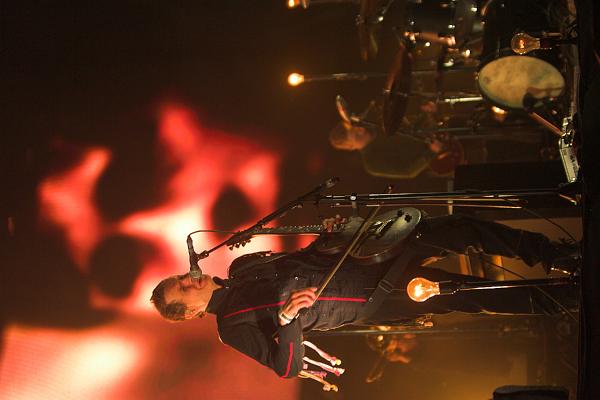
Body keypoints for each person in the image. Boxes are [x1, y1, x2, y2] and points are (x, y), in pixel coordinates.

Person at [150, 213, 579, 379]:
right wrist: (286, 322)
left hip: (369, 258)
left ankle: (556, 254)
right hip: (374, 298)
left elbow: (305, 259)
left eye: (181, 276)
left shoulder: (242, 266)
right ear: (188, 314)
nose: (189, 279)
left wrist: (329, 235)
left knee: (461, 228)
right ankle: (563, 297)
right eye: (183, 289)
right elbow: (286, 367)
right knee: (467, 294)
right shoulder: (231, 327)